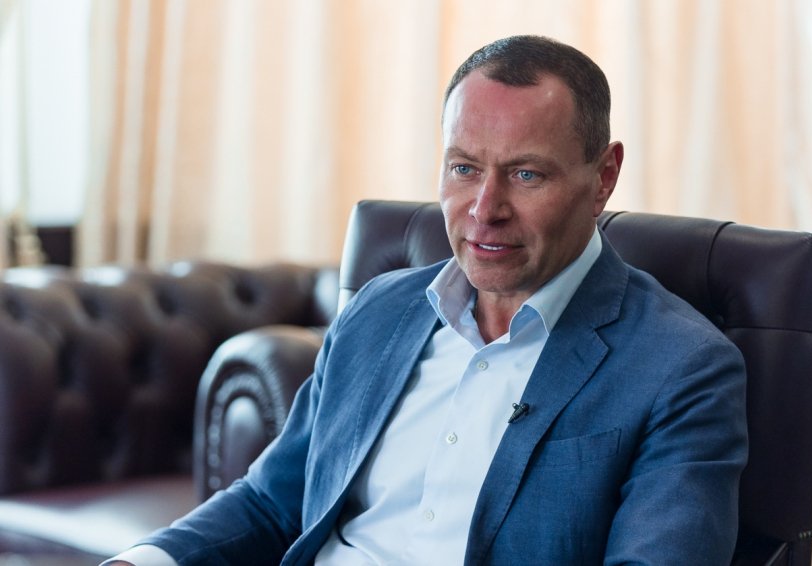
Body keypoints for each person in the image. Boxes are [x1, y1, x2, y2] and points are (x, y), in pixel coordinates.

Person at [106, 35, 748, 566]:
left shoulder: (681, 367)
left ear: (603, 176)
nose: (484, 210)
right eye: (464, 168)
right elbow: (273, 502)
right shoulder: (378, 311)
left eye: (526, 174)